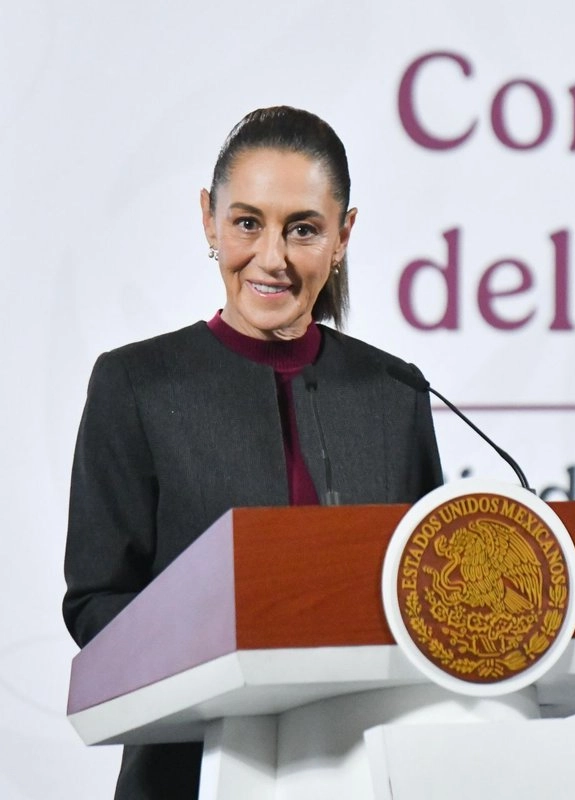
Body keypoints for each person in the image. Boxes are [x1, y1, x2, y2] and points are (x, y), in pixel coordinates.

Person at [62, 106, 443, 799]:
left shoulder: (394, 391)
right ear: (208, 219)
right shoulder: (137, 385)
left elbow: (428, 594)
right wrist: (223, 642)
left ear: (343, 235)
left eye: (303, 228)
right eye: (247, 222)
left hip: (371, 770)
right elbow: (95, 603)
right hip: (187, 769)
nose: (272, 257)